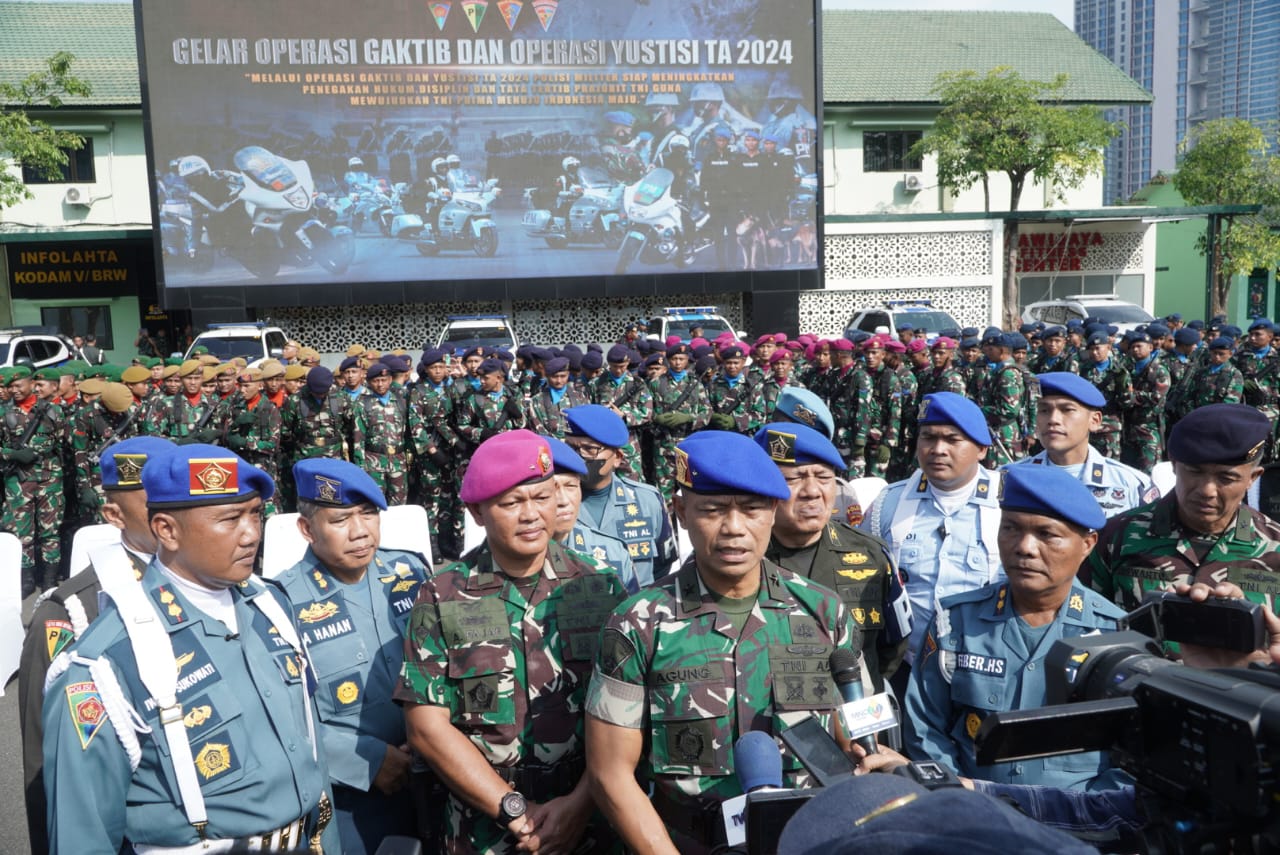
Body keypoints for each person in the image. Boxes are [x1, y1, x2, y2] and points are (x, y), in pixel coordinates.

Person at [41, 443, 340, 852]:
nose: (252, 533)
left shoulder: (272, 607)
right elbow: (83, 833)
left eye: (255, 513)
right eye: (230, 519)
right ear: (167, 530)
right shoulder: (107, 662)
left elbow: (312, 752)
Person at [585, 431, 865, 854]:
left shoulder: (824, 612)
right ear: (681, 512)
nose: (734, 528)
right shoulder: (637, 623)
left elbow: (854, 744)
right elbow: (610, 773)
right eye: (713, 510)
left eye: (751, 509)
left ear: (773, 511)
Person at [395, 430, 628, 853]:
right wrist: (514, 811)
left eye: (542, 497)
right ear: (477, 512)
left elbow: (627, 714)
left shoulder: (601, 586)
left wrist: (579, 805)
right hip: (484, 827)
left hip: (590, 819)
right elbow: (427, 726)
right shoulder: (441, 596)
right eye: (511, 503)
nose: (531, 515)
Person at [904, 464, 1129, 790]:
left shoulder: (1116, 635)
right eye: (1010, 528)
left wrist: (1085, 813)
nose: (1025, 547)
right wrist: (956, 795)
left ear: (1087, 544)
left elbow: (1134, 760)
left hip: (1079, 817)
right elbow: (925, 728)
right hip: (973, 809)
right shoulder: (955, 622)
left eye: (1047, 534)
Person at [18, 435, 172, 854]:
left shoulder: (216, 588)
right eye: (155, 505)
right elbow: (46, 767)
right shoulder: (72, 613)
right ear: (114, 515)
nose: (173, 516)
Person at [276, 458, 429, 854]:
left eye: (369, 514)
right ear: (307, 529)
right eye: (341, 520)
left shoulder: (411, 571)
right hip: (354, 798)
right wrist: (368, 760)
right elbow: (280, 717)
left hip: (435, 775)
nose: (360, 531)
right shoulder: (280, 603)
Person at [861, 392, 1003, 698]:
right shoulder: (889, 503)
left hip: (987, 670)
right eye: (928, 438)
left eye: (952, 440)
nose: (938, 449)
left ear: (981, 449)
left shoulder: (1008, 503)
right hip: (905, 670)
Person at [756, 422, 909, 689]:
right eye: (794, 478)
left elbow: (893, 647)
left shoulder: (872, 554)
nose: (812, 491)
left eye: (824, 477)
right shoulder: (743, 558)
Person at [1086, 403, 1280, 611]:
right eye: (1195, 472)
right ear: (1174, 465)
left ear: (1252, 478)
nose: (1207, 490)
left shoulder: (1274, 547)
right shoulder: (1115, 537)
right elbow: (1083, 619)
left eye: (1226, 478)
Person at [1013, 372, 1157, 518]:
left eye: (1067, 410)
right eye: (1044, 410)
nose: (1053, 419)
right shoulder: (1012, 478)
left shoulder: (1131, 484)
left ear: (1094, 421)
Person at [565, 404, 676, 588]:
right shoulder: (554, 504)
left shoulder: (647, 500)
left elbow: (662, 567)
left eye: (589, 449)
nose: (578, 457)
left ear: (617, 457)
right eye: (571, 448)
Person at [542, 433, 639, 592]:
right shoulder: (511, 560)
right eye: (551, 489)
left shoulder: (613, 552)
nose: (563, 500)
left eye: (571, 486)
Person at [2, 365, 66, 594]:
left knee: (51, 530)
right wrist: (12, 454)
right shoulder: (4, 413)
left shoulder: (52, 410)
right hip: (18, 481)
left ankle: (49, 580)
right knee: (21, 532)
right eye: (10, 386)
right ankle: (26, 580)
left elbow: (62, 443)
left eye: (18, 385)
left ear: (31, 384)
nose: (14, 390)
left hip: (50, 478)